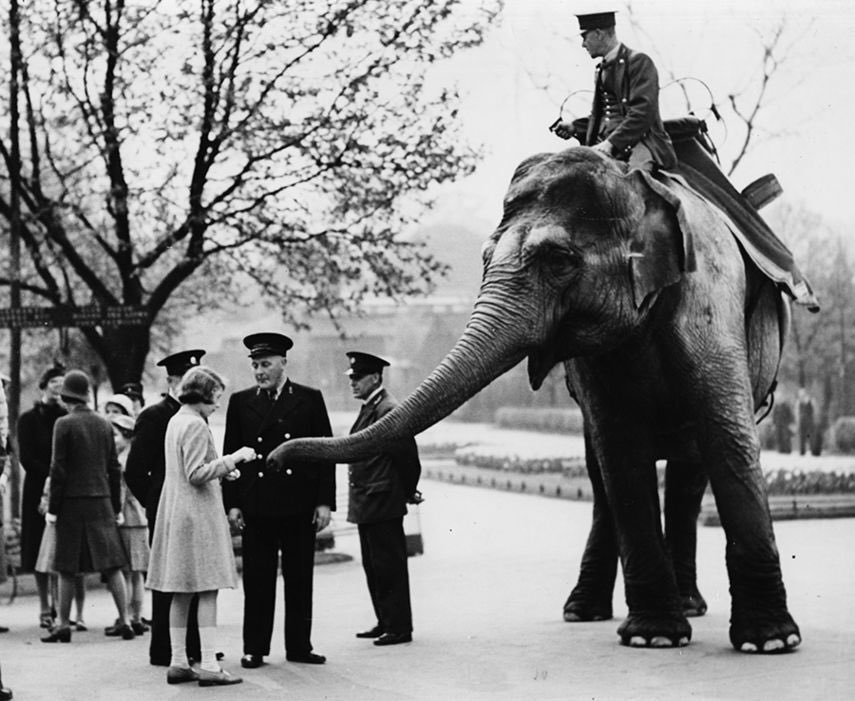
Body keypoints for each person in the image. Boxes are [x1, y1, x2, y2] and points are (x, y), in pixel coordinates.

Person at [222, 332, 335, 668]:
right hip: (257, 505)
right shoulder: (240, 402)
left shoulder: (310, 399)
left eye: (266, 364)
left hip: (300, 503)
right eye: (255, 365)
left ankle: (299, 646)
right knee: (257, 580)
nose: (259, 370)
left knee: (300, 578)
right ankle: (254, 647)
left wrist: (324, 501)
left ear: (284, 363)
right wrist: (233, 503)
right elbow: (232, 457)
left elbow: (324, 452)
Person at [147, 366, 254, 686]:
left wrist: (222, 469)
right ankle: (208, 664)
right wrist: (235, 459)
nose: (218, 404)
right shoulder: (196, 424)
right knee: (207, 590)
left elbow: (187, 468)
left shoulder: (175, 421)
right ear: (202, 395)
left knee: (180, 592)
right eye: (215, 397)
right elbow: (195, 473)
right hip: (198, 516)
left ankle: (179, 661)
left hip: (177, 513)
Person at [124, 349, 206, 666]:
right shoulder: (155, 416)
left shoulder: (195, 413)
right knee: (168, 579)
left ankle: (193, 647)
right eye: (185, 379)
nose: (191, 386)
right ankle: (164, 648)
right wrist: (156, 502)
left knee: (193, 577)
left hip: (188, 508)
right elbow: (134, 471)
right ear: (171, 381)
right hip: (166, 508)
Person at [41, 369, 134, 643]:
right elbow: (114, 469)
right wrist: (116, 506)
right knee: (113, 563)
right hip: (102, 501)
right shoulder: (105, 425)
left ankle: (62, 626)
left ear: (67, 396)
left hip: (71, 503)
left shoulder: (63, 424)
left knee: (66, 565)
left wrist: (52, 508)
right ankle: (126, 620)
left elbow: (58, 470)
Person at [345, 352, 422, 647]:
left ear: (375, 378)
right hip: (370, 502)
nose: (352, 383)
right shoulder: (372, 407)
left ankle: (399, 626)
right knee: (375, 566)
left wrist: (405, 491)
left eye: (357, 378)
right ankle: (386, 621)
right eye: (351, 378)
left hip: (382, 501)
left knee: (389, 566)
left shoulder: (387, 409)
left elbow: (407, 456)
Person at [552, 10, 676, 170]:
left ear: (598, 34)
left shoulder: (638, 62)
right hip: (603, 143)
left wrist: (611, 144)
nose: (583, 44)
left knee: (634, 181)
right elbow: (604, 116)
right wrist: (575, 127)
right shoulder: (601, 69)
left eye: (584, 37)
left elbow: (643, 113)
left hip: (639, 143)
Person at [18, 362, 67, 629]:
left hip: (61, 486)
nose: (58, 389)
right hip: (37, 486)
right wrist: (48, 473)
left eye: (62, 384)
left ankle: (60, 604)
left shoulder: (65, 416)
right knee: (38, 546)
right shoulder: (28, 419)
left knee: (59, 547)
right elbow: (26, 457)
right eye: (54, 383)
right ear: (44, 386)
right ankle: (44, 605)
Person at [111, 413, 150, 636]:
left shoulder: (121, 461)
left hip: (126, 519)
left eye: (116, 435)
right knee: (136, 573)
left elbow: (121, 493)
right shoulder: (134, 456)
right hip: (139, 519)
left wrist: (116, 512)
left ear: (126, 436)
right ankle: (135, 616)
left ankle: (126, 617)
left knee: (127, 572)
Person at [797, 388, 816, 457]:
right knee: (802, 437)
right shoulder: (799, 402)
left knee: (810, 436)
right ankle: (802, 451)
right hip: (802, 422)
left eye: (802, 394)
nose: (801, 396)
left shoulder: (810, 401)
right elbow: (799, 412)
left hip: (809, 422)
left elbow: (813, 411)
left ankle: (812, 451)